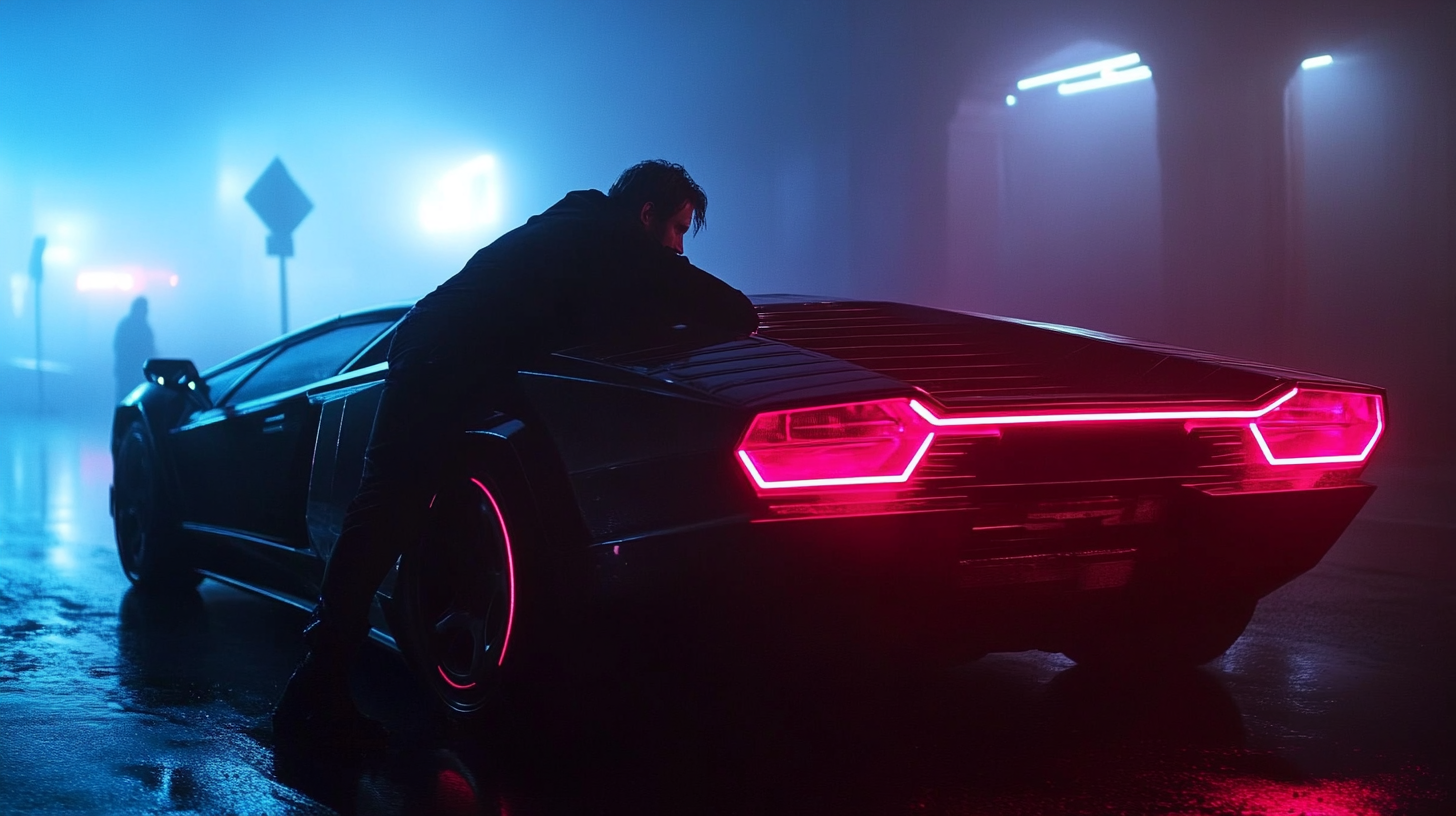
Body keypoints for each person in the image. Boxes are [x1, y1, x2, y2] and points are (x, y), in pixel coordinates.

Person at [273, 160, 759, 743]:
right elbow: (732, 309)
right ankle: (314, 688)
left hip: (439, 346)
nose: (680, 247)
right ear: (647, 215)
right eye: (678, 229)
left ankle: (319, 682)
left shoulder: (574, 228)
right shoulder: (610, 239)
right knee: (387, 510)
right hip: (443, 358)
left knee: (393, 507)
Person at [114, 296, 157, 403]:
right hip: (128, 370)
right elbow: (118, 346)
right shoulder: (129, 326)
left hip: (139, 371)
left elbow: (150, 349)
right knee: (126, 399)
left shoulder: (143, 327)